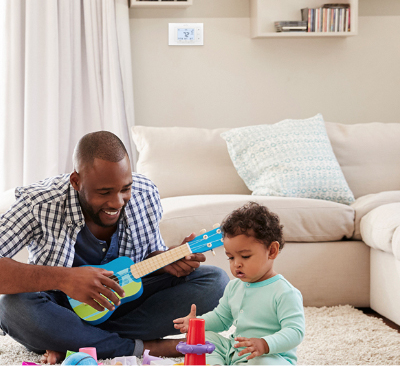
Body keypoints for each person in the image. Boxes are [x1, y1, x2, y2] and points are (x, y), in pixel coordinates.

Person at [0, 131, 229, 365]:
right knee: (12, 307)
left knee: (215, 281)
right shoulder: (39, 203)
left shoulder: (144, 193)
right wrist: (64, 279)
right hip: (59, 309)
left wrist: (166, 261)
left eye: (124, 189)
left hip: (121, 305)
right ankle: (142, 347)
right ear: (76, 181)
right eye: (104, 192)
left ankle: (75, 341)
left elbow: (145, 262)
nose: (117, 202)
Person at [174, 202, 305, 365]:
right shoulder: (234, 287)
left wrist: (264, 344)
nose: (236, 264)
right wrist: (197, 324)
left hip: (270, 356)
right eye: (231, 257)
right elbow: (221, 318)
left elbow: (295, 332)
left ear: (272, 251)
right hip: (234, 349)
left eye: (245, 256)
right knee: (204, 339)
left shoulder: (284, 292)